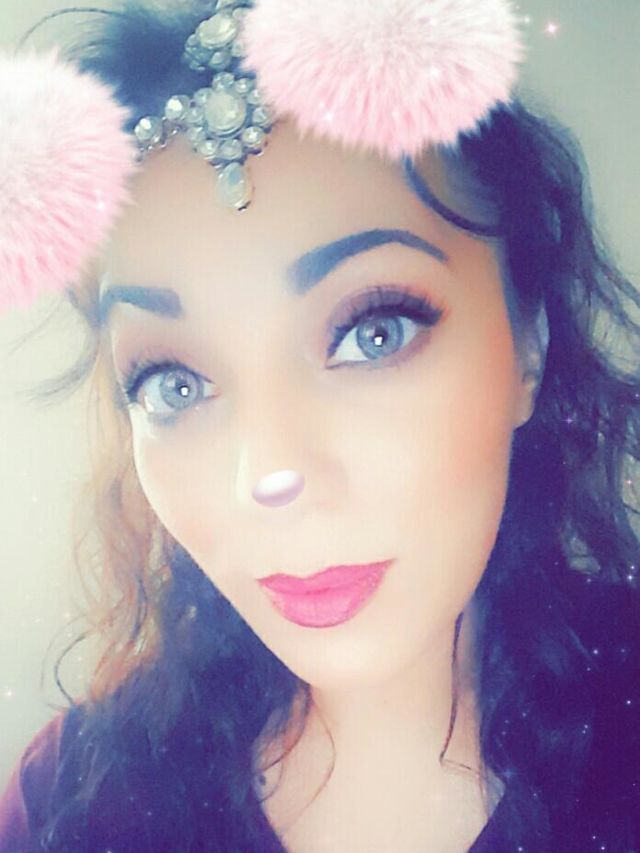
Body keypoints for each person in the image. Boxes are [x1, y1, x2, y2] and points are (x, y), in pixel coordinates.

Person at [0, 1, 639, 850]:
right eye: (175, 384)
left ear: (529, 345)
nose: (269, 476)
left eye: (374, 333)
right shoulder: (74, 803)